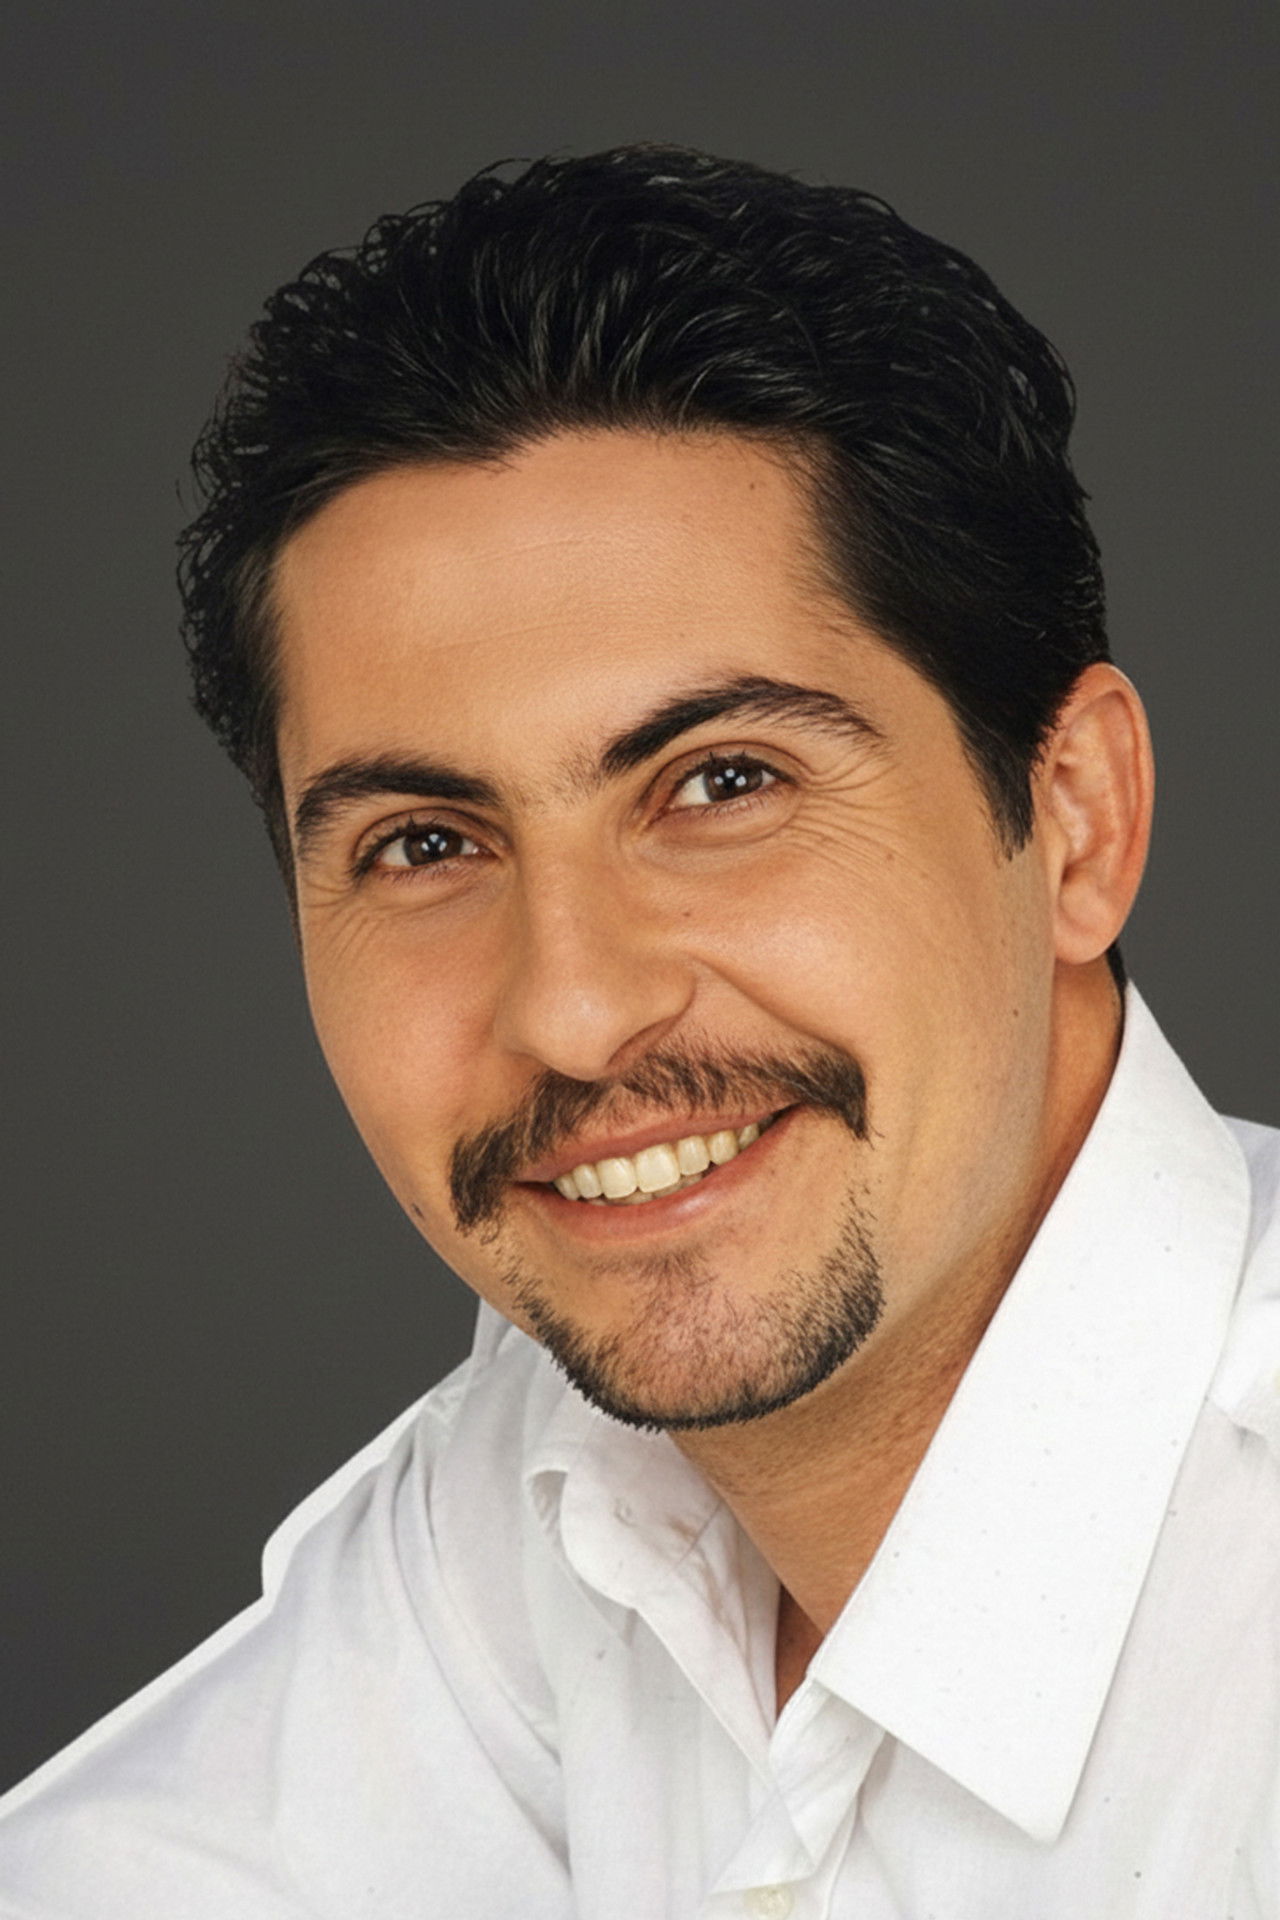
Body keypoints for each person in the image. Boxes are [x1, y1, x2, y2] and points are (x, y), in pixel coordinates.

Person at [0, 144, 1275, 1919]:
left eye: (722, 782)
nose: (577, 1010)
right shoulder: (549, 1500)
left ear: (1075, 819)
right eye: (424, 844)